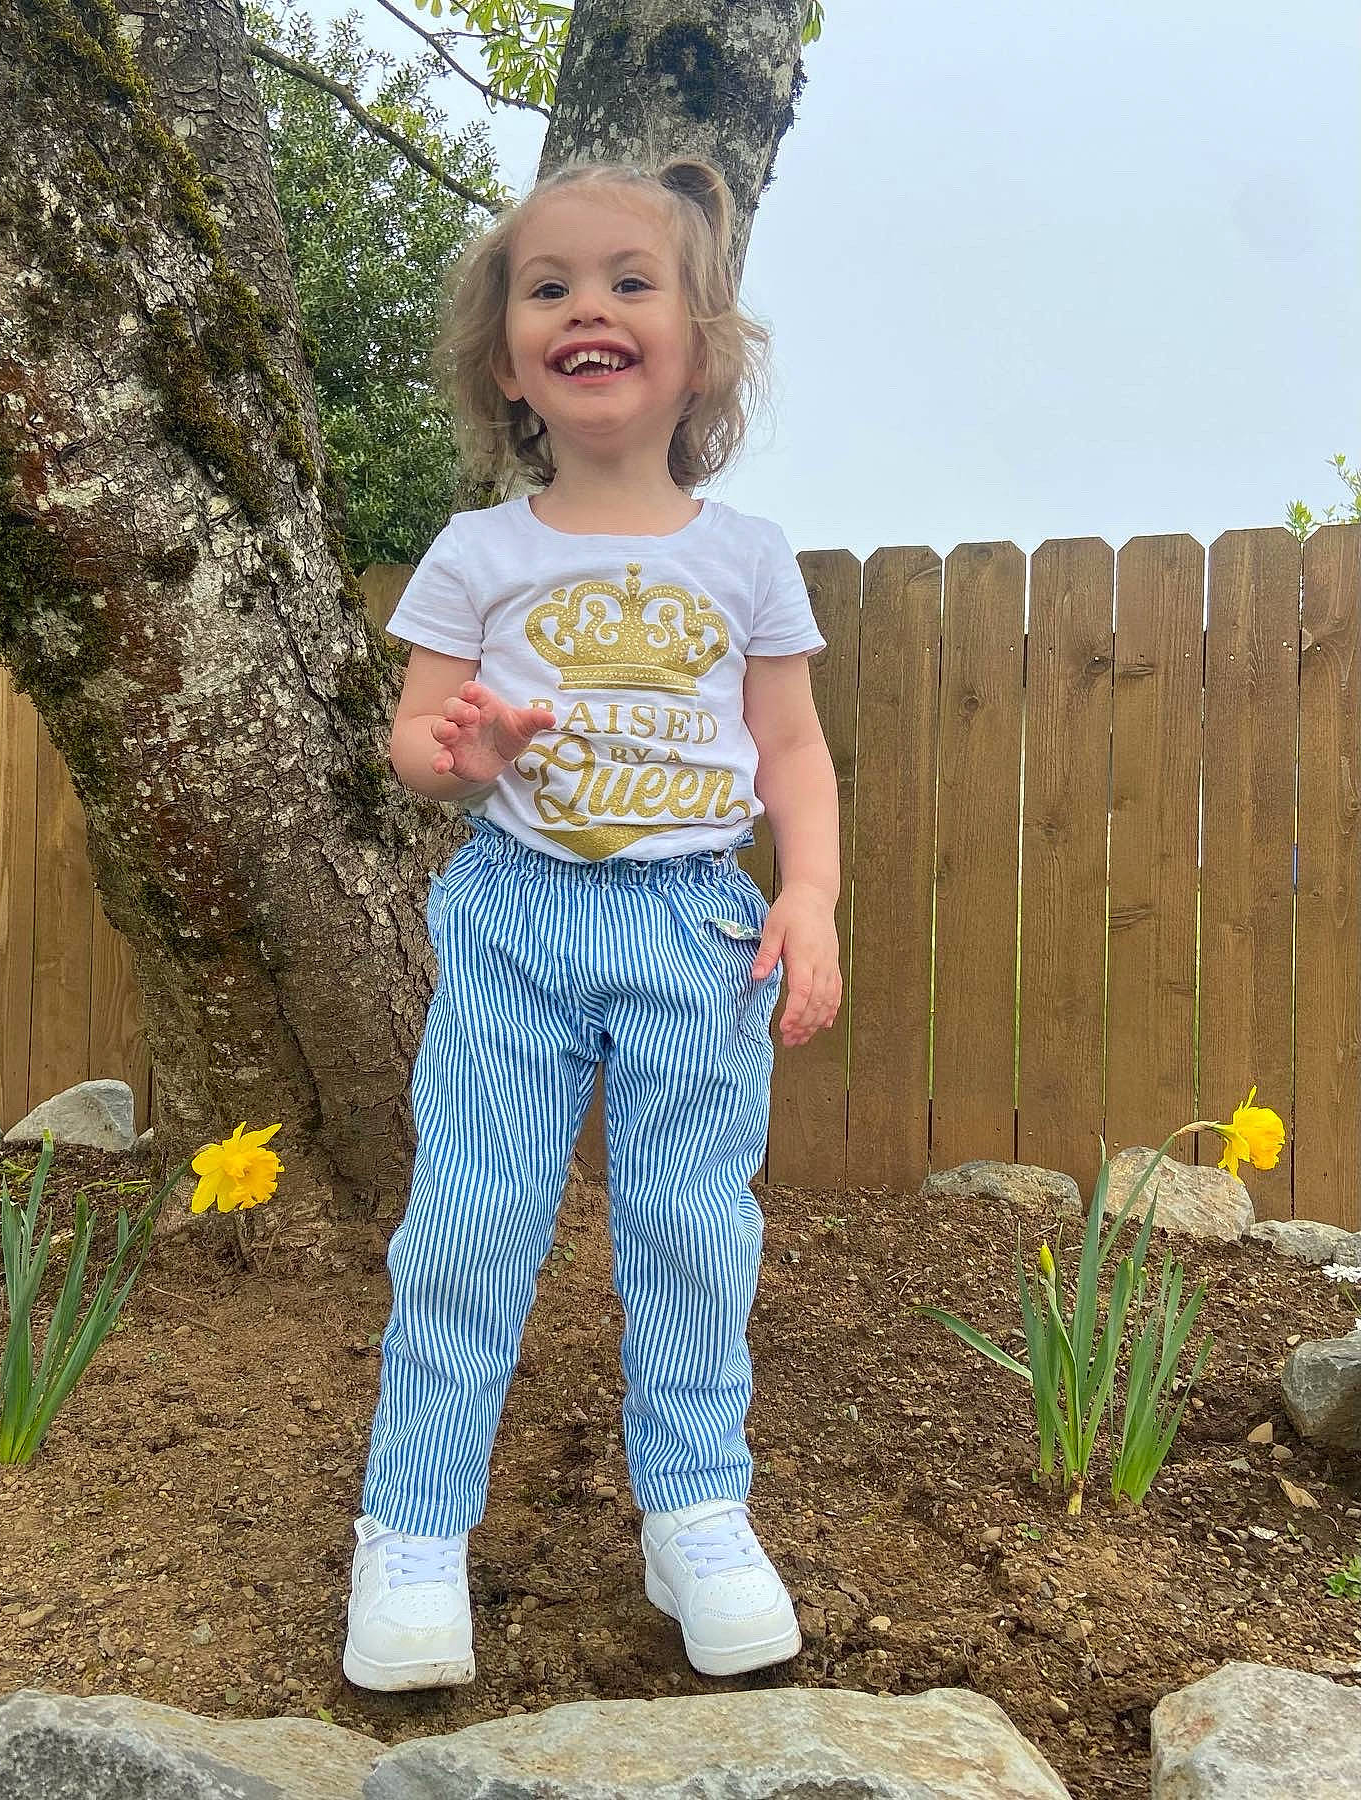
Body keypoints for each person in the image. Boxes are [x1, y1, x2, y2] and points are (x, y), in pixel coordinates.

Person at [344, 155, 843, 1694]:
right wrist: (470, 754)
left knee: (695, 1232)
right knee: (475, 1223)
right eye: (549, 289)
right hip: (514, 923)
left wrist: (811, 897)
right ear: (509, 360)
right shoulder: (478, 554)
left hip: (698, 927)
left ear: (700, 342)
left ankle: (696, 1509)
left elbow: (792, 751)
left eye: (631, 282)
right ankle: (413, 1530)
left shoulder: (745, 555)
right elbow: (415, 746)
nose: (588, 308)